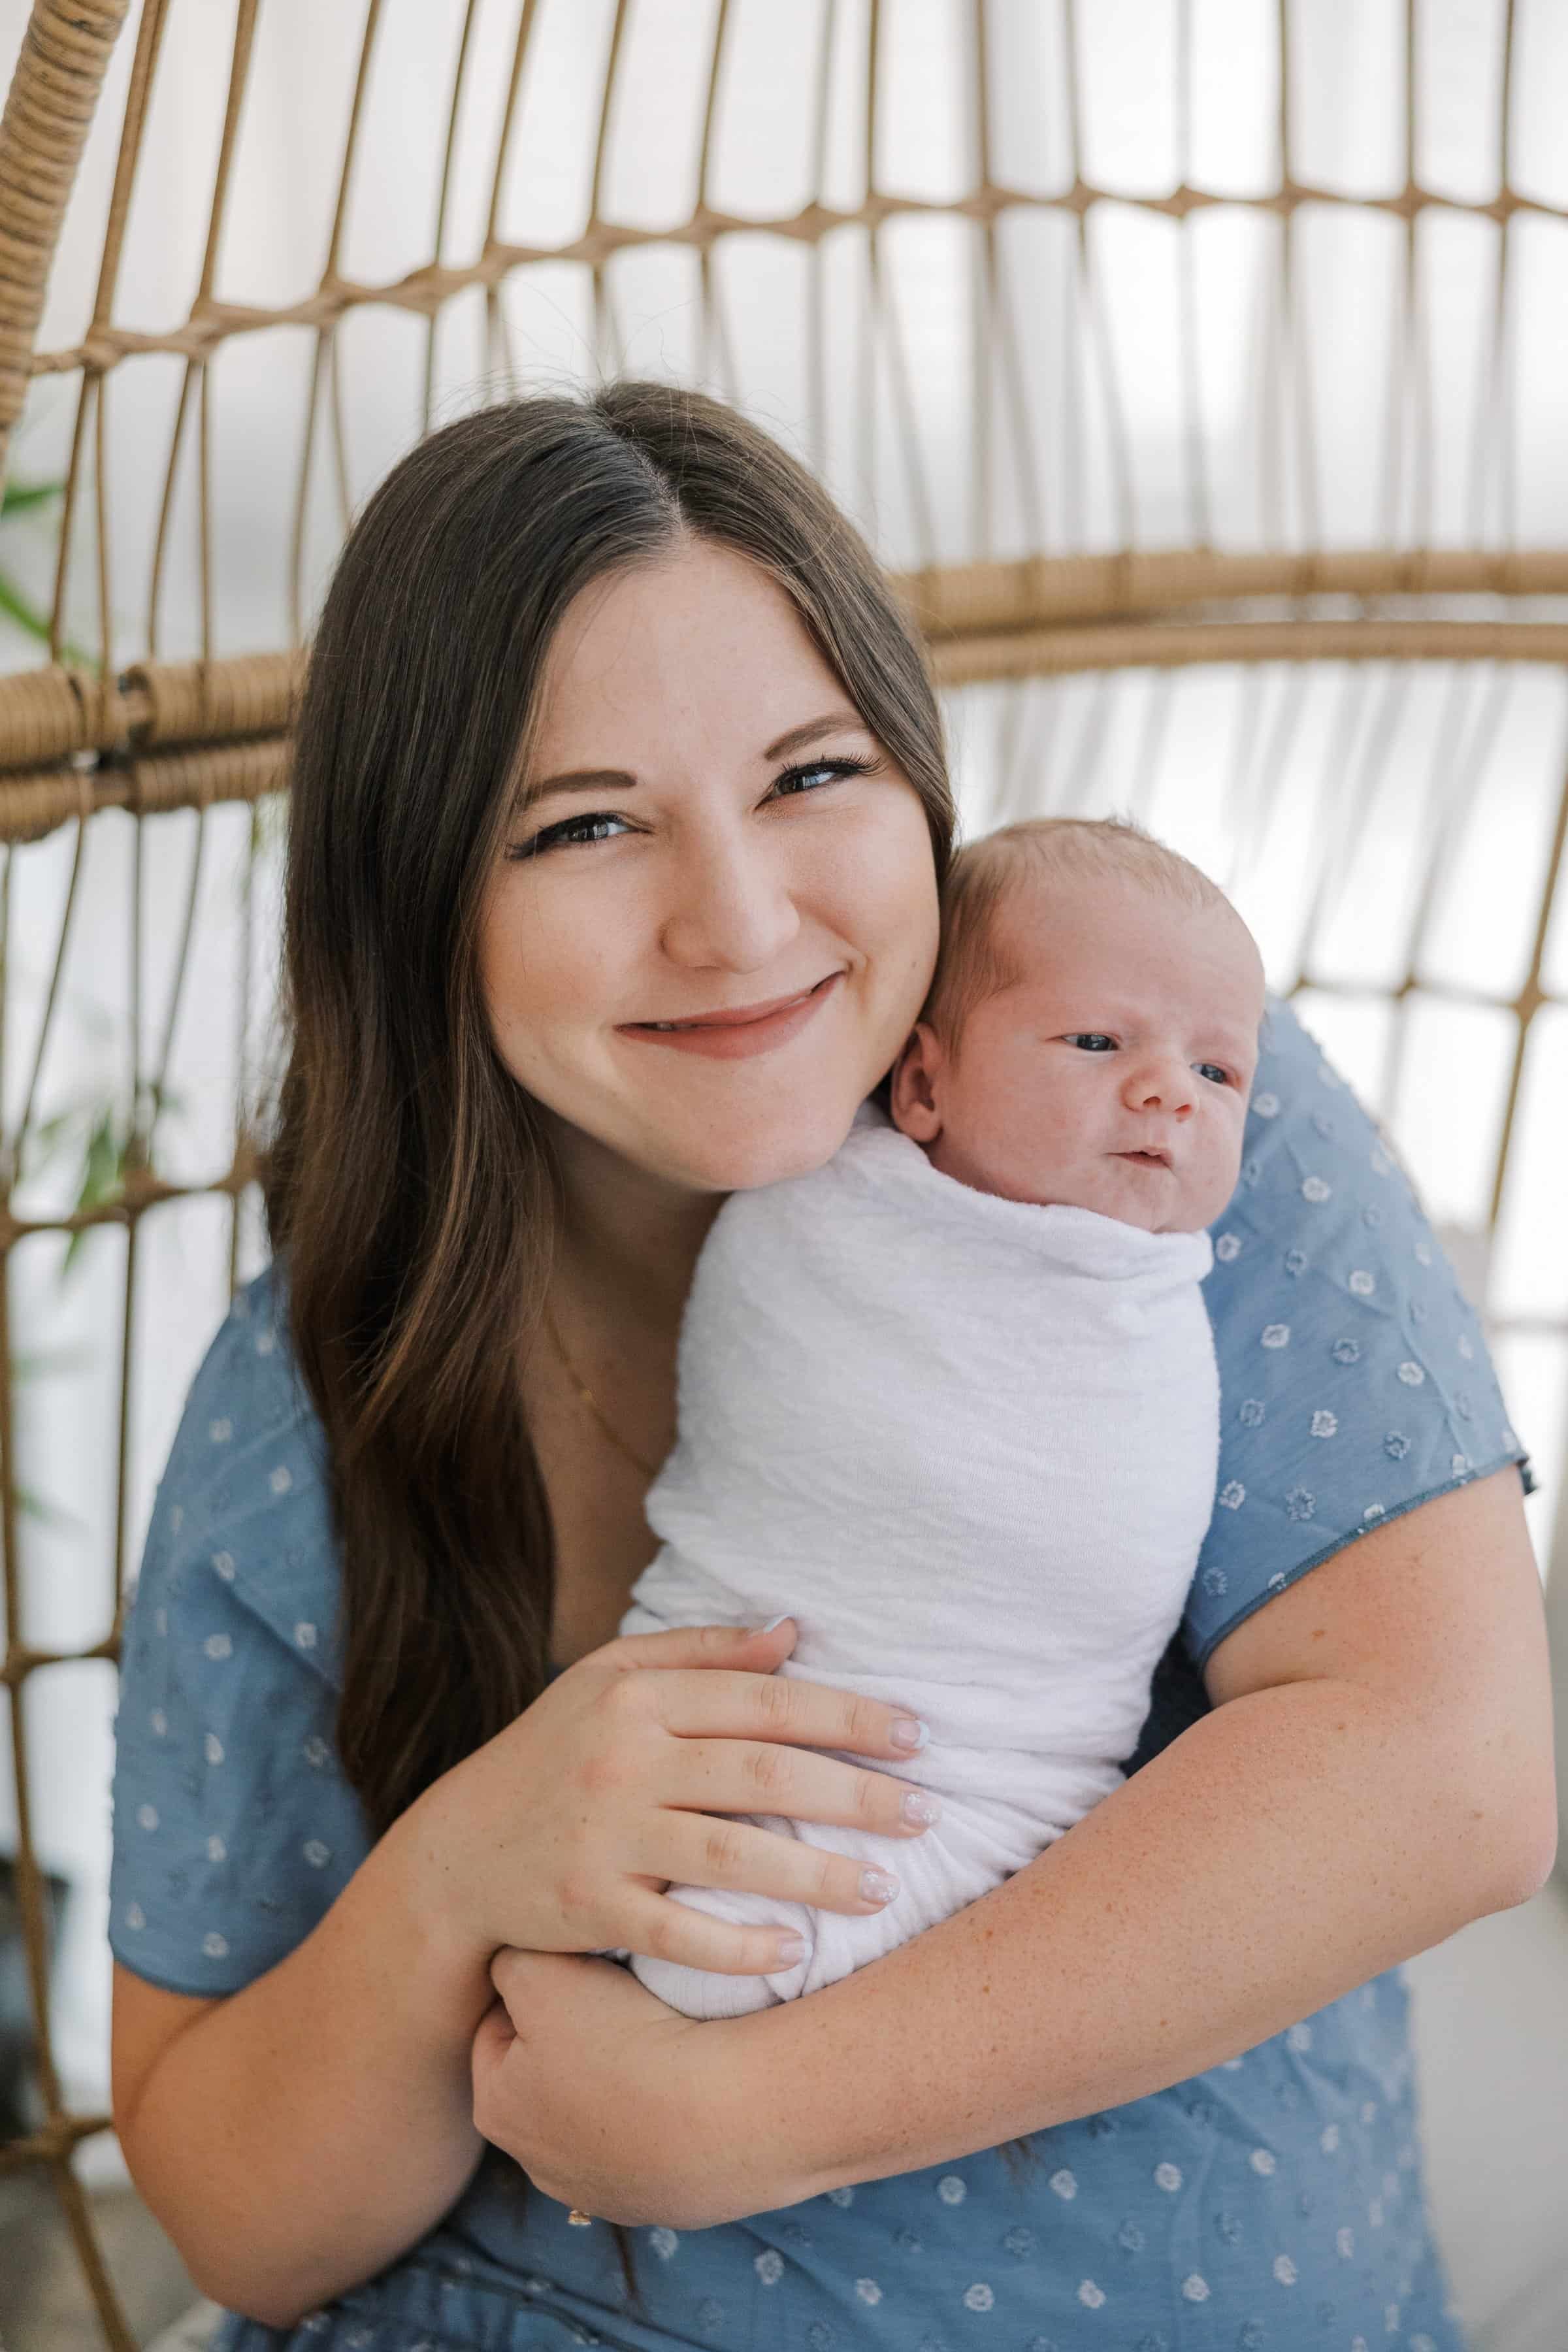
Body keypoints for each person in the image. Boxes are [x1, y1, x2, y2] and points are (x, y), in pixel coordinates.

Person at [106, 382, 1555, 2352]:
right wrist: (457, 1874)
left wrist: (735, 2113)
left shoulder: (1148, 1099)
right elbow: (236, 2222)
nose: (741, 920)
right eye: (588, 825)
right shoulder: (316, 1386)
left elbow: (1457, 1775)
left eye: (811, 777)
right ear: (420, 900)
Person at [613, 817, 1268, 2021]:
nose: (1170, 1091)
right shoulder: (833, 1192)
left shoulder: (1150, 1289)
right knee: (638, 1878)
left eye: (1220, 1073)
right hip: (742, 1655)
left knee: (720, 1961)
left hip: (997, 1768)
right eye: (1096, 1039)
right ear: (922, 1083)